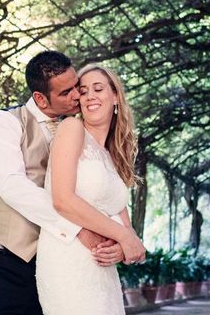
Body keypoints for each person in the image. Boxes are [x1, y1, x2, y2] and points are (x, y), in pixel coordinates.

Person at [0, 51, 124, 315]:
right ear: (40, 98)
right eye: (66, 92)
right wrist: (79, 229)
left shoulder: (80, 135)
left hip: (53, 268)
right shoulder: (5, 123)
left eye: (77, 87)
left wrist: (115, 239)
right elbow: (15, 188)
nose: (77, 96)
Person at [36, 64, 145, 314]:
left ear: (115, 96)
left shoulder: (113, 155)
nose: (90, 96)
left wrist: (121, 246)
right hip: (68, 259)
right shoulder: (72, 128)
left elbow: (124, 222)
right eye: (83, 92)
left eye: (98, 89)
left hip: (103, 268)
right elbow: (62, 200)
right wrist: (125, 237)